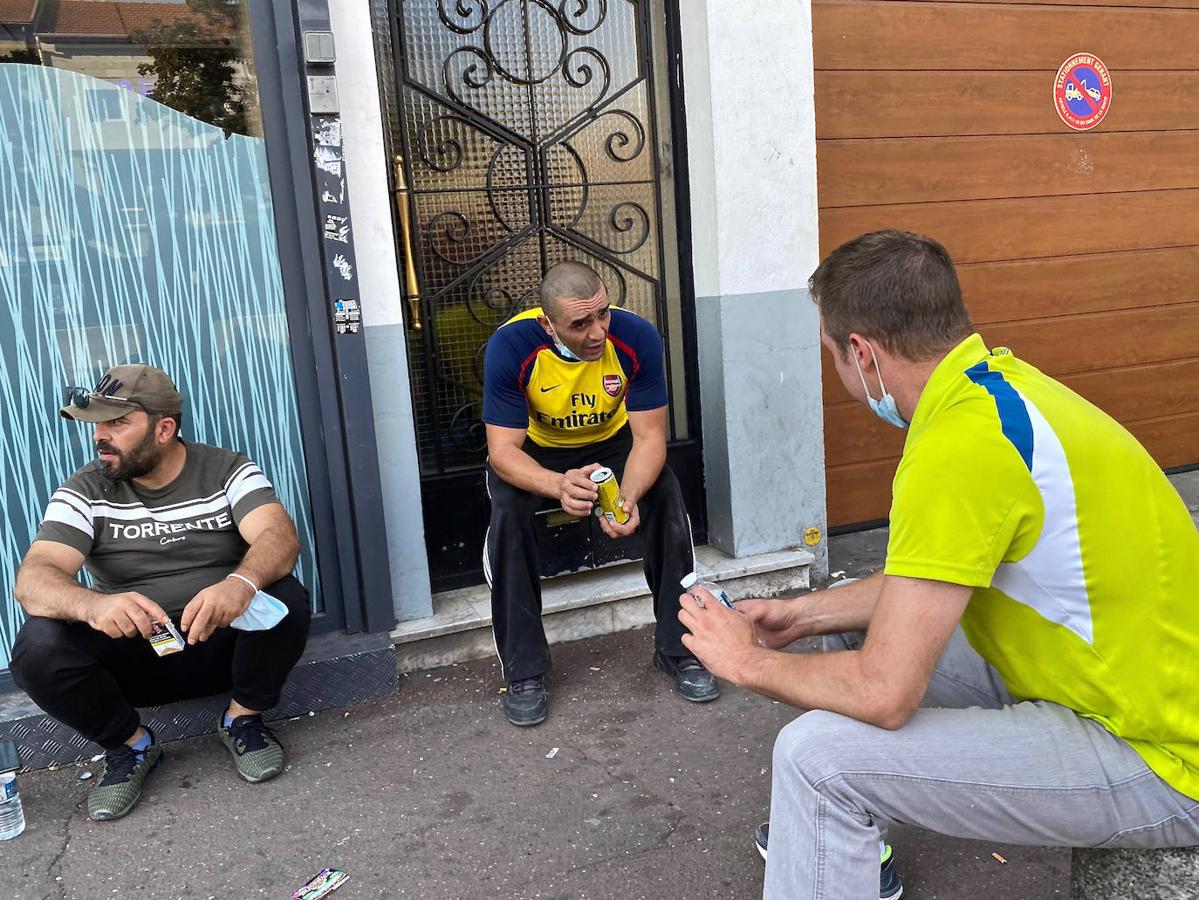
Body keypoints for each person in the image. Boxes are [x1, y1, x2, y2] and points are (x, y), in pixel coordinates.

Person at [678, 231, 1199, 899]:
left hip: (1161, 754)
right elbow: (929, 574)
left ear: (862, 354)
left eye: (832, 356)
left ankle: (827, 816)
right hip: (1115, 675)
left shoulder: (958, 449)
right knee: (836, 635)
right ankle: (832, 845)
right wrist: (800, 614)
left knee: (816, 761)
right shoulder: (998, 389)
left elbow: (882, 695)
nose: (837, 373)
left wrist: (745, 662)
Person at [11, 364, 311, 821]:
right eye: (98, 425)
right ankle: (131, 746)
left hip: (219, 643)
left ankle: (243, 719)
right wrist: (93, 606)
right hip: (137, 654)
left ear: (164, 428)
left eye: (117, 423)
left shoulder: (227, 470)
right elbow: (34, 579)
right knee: (38, 646)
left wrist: (239, 583)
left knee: (283, 596)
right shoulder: (86, 489)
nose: (100, 437)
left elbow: (279, 537)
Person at [482, 260, 715, 726]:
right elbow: (503, 452)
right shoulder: (511, 345)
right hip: (539, 453)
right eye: (580, 323)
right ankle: (524, 670)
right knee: (508, 512)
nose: (597, 333)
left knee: (665, 497)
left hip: (613, 444)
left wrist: (625, 499)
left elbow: (650, 438)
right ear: (547, 324)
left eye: (603, 314)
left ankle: (679, 648)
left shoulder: (637, 337)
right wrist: (556, 485)